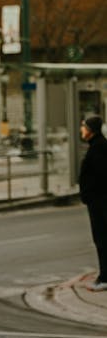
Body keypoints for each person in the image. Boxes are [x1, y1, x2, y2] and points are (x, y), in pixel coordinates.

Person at [78, 115, 107, 291]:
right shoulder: (98, 146)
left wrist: (89, 195)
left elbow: (100, 177)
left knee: (102, 239)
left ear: (90, 130)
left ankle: (105, 278)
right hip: (98, 201)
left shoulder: (99, 148)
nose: (81, 129)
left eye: (84, 126)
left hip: (100, 203)